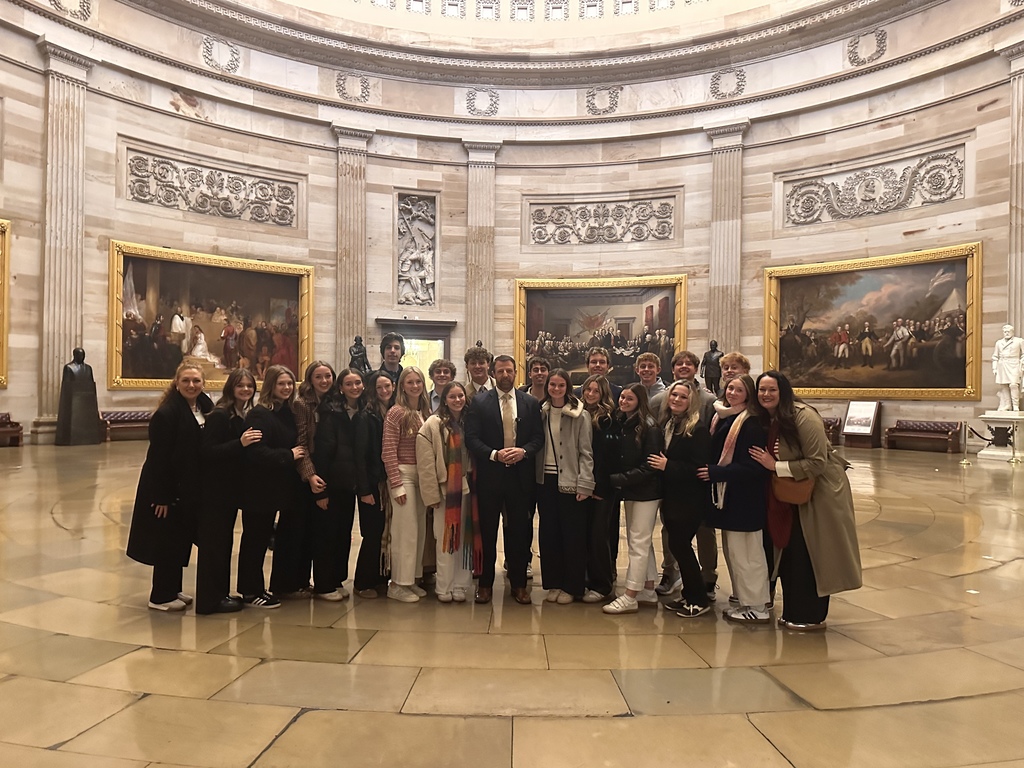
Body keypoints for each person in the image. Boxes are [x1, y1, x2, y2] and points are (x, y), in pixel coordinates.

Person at [749, 371, 862, 630]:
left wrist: (775, 466)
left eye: (772, 390)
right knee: (792, 554)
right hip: (793, 494)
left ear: (784, 391)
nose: (766, 394)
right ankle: (795, 611)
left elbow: (817, 462)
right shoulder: (773, 417)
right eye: (762, 390)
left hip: (818, 494)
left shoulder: (804, 416)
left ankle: (809, 615)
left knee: (811, 553)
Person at [127, 362, 213, 611]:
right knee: (166, 540)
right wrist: (161, 496)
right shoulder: (167, 414)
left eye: (196, 381)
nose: (191, 385)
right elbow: (159, 459)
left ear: (203, 384)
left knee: (179, 538)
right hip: (166, 487)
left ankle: (174, 588)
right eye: (186, 380)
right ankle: (161, 596)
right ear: (177, 383)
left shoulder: (204, 408)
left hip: (186, 487)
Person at [464, 354, 544, 605]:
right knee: (487, 531)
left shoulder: (530, 403)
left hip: (520, 478)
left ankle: (519, 584)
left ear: (515, 372)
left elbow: (538, 439)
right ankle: (485, 584)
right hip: (490, 477)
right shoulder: (479, 402)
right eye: (500, 371)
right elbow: (472, 438)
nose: (505, 375)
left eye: (509, 371)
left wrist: (524, 452)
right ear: (493, 373)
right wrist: (494, 454)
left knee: (519, 532)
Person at [697, 375, 771, 624]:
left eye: (739, 390)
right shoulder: (723, 416)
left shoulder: (750, 424)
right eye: (730, 388)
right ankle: (745, 598)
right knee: (736, 552)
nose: (732, 393)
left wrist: (716, 472)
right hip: (731, 497)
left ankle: (757, 605)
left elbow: (753, 468)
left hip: (745, 499)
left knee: (748, 554)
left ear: (748, 394)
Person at [241, 365, 307, 608]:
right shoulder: (260, 414)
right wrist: (288, 455)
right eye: (281, 384)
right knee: (255, 541)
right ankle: (250, 591)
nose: (287, 388)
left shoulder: (287, 411)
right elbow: (255, 452)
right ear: (271, 385)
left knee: (272, 538)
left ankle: (274, 586)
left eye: (290, 383)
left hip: (280, 487)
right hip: (260, 488)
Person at [196, 368, 260, 614]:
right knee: (214, 545)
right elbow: (208, 452)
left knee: (223, 543)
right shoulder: (220, 415)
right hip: (215, 491)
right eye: (240, 386)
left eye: (249, 386)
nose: (245, 390)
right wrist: (240, 443)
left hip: (228, 490)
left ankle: (219, 594)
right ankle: (209, 600)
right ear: (231, 388)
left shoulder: (240, 414)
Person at [647, 379, 713, 618]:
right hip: (672, 496)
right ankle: (688, 594)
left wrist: (667, 465)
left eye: (683, 397)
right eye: (674, 395)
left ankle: (698, 599)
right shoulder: (669, 423)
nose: (676, 399)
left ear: (691, 400)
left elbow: (698, 468)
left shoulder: (698, 428)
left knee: (682, 547)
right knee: (677, 546)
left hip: (689, 499)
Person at [602, 383, 663, 614]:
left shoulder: (649, 426)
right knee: (641, 541)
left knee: (637, 542)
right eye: (622, 398)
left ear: (640, 400)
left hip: (646, 491)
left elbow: (650, 466)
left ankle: (630, 595)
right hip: (632, 489)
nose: (623, 402)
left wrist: (619, 479)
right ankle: (647, 588)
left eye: (629, 399)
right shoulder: (625, 422)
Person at [536, 369, 595, 605]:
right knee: (549, 534)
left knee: (572, 536)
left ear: (568, 387)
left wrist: (585, 484)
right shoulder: (541, 411)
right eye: (553, 385)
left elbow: (586, 453)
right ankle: (554, 582)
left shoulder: (580, 415)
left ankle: (572, 585)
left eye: (561, 385)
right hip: (545, 480)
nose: (556, 389)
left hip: (571, 480)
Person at [416, 381, 477, 603]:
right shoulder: (433, 424)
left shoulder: (470, 422)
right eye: (452, 397)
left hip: (468, 487)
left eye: (460, 395)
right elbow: (425, 464)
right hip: (445, 491)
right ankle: (444, 586)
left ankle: (461, 584)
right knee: (445, 539)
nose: (457, 400)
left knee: (464, 539)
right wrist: (431, 495)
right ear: (444, 400)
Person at [312, 368, 368, 601]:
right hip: (332, 482)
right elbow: (323, 452)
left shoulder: (364, 410)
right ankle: (323, 584)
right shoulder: (331, 413)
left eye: (358, 383)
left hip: (349, 483)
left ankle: (336, 578)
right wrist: (321, 491)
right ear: (341, 387)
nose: (354, 387)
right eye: (349, 383)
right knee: (327, 534)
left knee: (343, 534)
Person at [382, 366, 432, 602]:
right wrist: (396, 483)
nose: (415, 386)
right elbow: (388, 451)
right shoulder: (396, 412)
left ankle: (411, 579)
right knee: (405, 532)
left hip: (421, 476)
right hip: (403, 475)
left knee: (419, 530)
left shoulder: (423, 410)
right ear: (402, 385)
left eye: (418, 382)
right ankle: (398, 584)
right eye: (410, 382)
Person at [290, 361, 337, 599]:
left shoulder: (331, 402)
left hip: (326, 470)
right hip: (309, 473)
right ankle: (306, 582)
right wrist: (310, 475)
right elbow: (301, 442)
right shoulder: (301, 404)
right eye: (319, 377)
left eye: (328, 376)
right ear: (310, 380)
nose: (324, 381)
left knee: (322, 529)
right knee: (309, 531)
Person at [353, 371, 394, 598]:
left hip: (388, 482)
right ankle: (362, 582)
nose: (384, 391)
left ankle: (381, 578)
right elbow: (360, 456)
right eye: (379, 388)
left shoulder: (393, 412)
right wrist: (364, 490)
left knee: (386, 533)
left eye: (387, 386)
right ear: (372, 390)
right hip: (372, 484)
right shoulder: (365, 417)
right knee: (372, 534)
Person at [580, 374, 620, 602]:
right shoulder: (582, 413)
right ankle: (588, 578)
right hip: (585, 483)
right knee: (587, 535)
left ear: (604, 394)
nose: (591, 394)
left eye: (596, 391)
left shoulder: (609, 419)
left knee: (599, 536)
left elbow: (608, 458)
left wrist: (599, 486)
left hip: (602, 487)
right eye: (588, 390)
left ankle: (602, 584)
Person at [992, 324, 1024, 411]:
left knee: (1013, 384)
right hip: (1002, 364)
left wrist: (1022, 362)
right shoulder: (999, 343)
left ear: (1012, 332)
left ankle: (1016, 405)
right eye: (1005, 332)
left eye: (1008, 331)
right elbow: (995, 356)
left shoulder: (1019, 341)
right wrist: (994, 368)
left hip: (1014, 364)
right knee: (1004, 386)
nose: (1007, 333)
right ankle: (1007, 404)